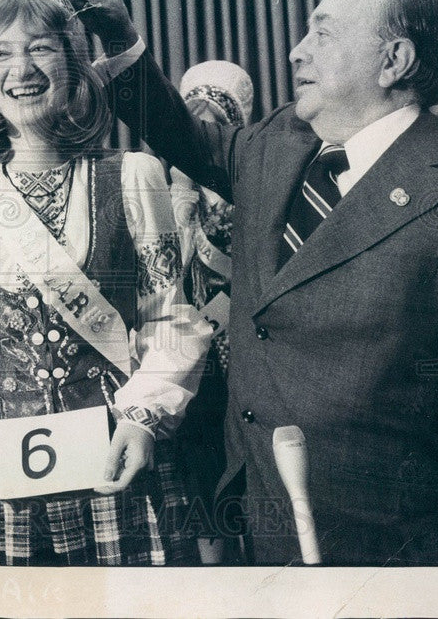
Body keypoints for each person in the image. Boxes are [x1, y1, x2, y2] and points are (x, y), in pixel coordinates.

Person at [66, 0, 438, 566]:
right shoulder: (278, 140)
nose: (296, 51)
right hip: (262, 514)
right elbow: (183, 136)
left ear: (394, 59)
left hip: (393, 546)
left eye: (322, 34)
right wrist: (121, 45)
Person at [0, 0, 211, 566]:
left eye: (41, 48)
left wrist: (142, 421)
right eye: (0, 53)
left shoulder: (133, 176)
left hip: (117, 466)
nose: (21, 68)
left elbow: (170, 320)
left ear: (75, 63)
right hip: (1, 487)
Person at [169, 61, 253, 564]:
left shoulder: (248, 191)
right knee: (200, 458)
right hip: (186, 350)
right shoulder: (158, 191)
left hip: (240, 348)